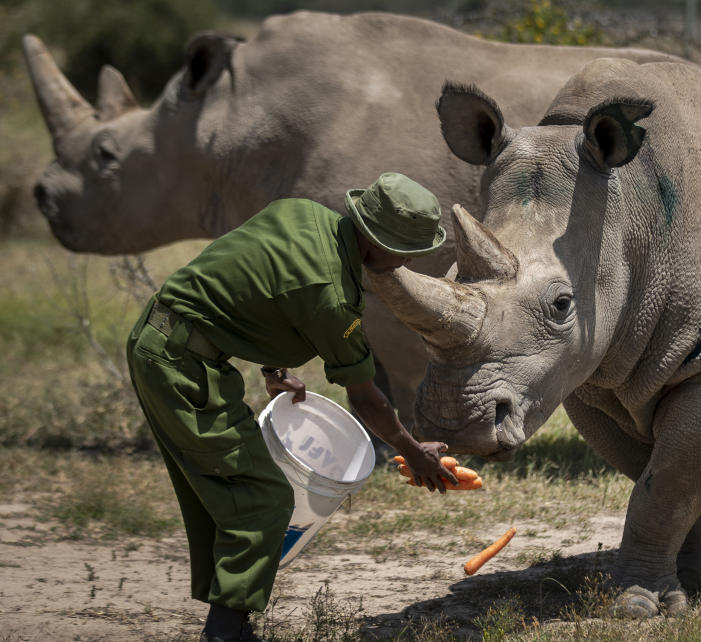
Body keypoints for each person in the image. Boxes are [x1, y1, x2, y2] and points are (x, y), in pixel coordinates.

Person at [126, 173, 459, 642]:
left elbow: (256, 277)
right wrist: (412, 449)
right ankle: (225, 634)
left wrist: (272, 365)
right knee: (263, 497)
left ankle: (228, 621)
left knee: (229, 494)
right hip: (181, 366)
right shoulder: (334, 296)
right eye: (407, 251)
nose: (406, 261)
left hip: (164, 342)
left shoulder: (301, 212)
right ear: (379, 242)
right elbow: (365, 396)